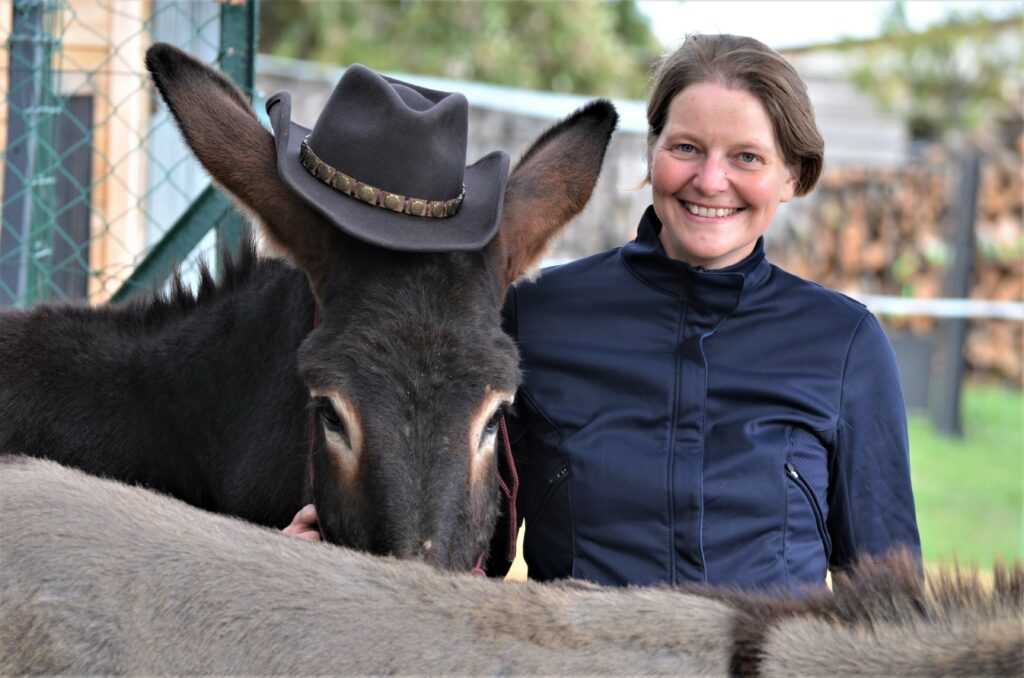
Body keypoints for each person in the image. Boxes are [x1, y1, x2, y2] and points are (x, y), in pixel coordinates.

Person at [484, 33, 921, 592]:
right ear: (651, 152)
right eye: (686, 147)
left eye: (747, 157)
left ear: (791, 176)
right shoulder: (534, 318)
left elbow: (889, 605)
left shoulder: (845, 344)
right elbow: (468, 555)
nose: (711, 181)